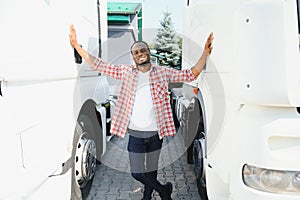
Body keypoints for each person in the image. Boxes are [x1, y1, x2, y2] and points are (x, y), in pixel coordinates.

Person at [69, 24, 213, 200]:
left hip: (156, 133)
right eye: (136, 52)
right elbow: (99, 65)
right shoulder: (126, 72)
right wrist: (77, 47)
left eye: (142, 50)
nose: (140, 53)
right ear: (133, 57)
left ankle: (147, 197)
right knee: (137, 172)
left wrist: (205, 53)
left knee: (151, 169)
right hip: (136, 134)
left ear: (148, 52)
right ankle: (163, 190)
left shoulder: (162, 72)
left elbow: (191, 74)